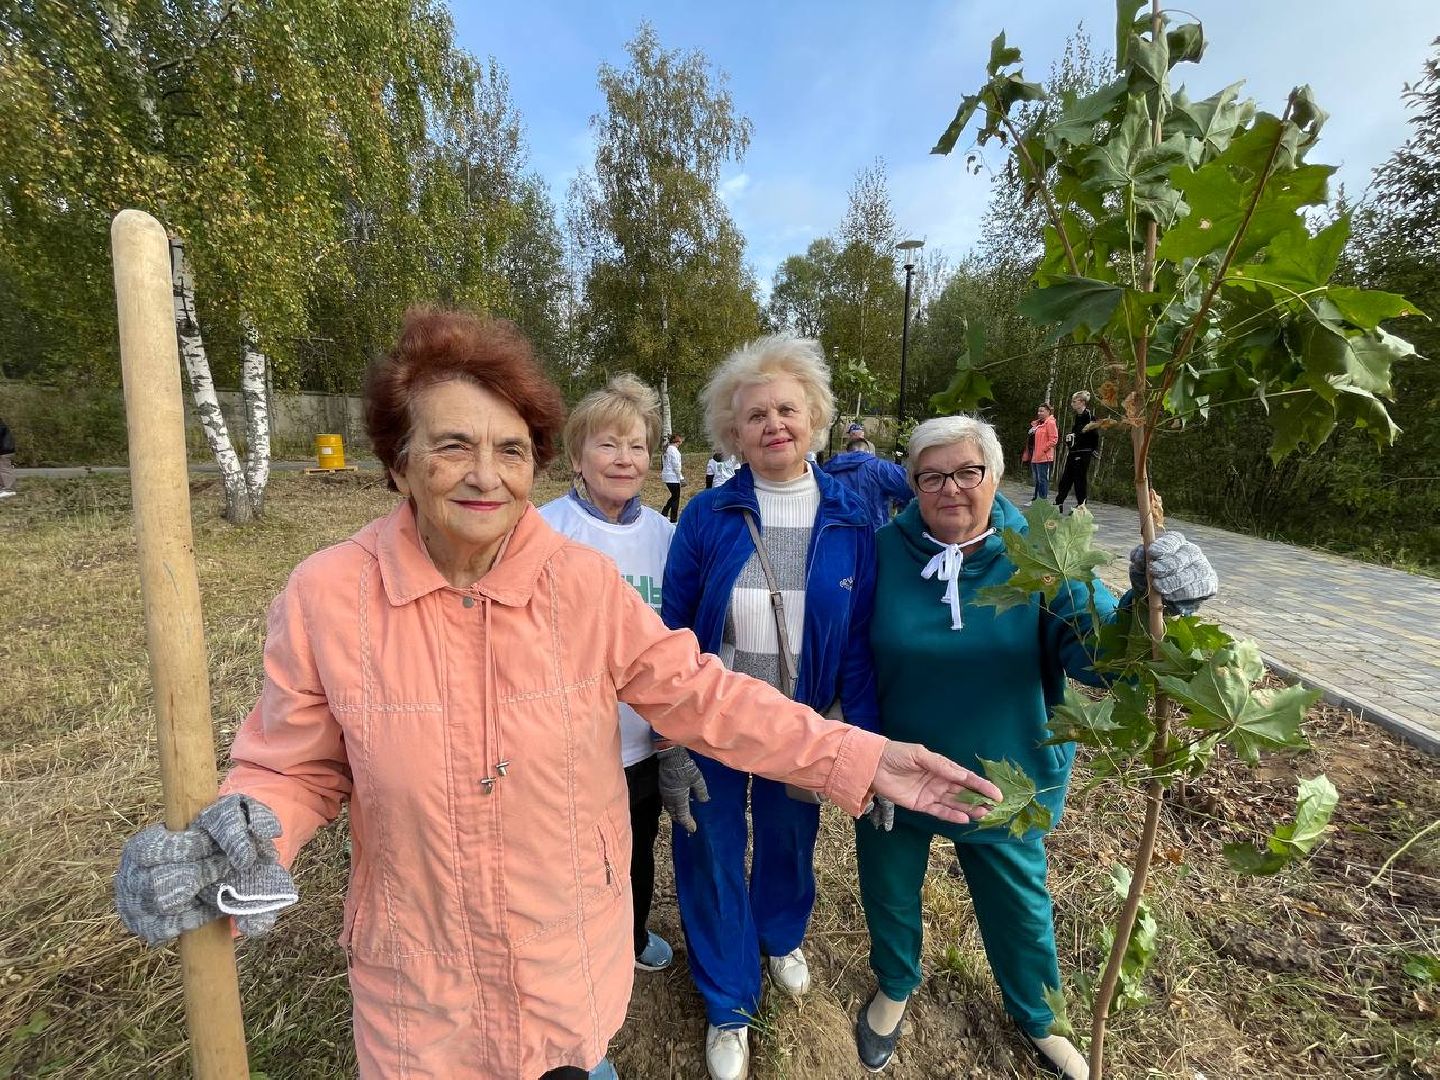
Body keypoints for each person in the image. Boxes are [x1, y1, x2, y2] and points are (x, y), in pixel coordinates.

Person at [112, 310, 1003, 1080]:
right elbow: (294, 768)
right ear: (399, 461)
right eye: (452, 445)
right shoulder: (329, 596)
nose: (485, 475)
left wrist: (857, 754)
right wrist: (251, 832)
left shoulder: (579, 586)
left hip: (564, 964)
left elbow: (705, 695)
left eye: (509, 450)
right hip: (421, 991)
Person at [851, 415, 1216, 1079]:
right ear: (912, 484)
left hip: (1007, 772)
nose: (950, 488)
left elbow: (1104, 662)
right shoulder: (880, 554)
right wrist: (856, 750)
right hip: (897, 770)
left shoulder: (1042, 560)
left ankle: (1039, 1016)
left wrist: (1155, 605)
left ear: (996, 476)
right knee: (890, 888)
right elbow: (847, 650)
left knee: (1019, 907)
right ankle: (895, 985)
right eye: (931, 476)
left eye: (968, 472)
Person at [661, 335, 888, 1080]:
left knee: (791, 841)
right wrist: (671, 741)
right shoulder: (707, 515)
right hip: (714, 724)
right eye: (754, 414)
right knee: (710, 851)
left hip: (802, 725)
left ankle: (779, 934)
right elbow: (672, 636)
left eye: (787, 409)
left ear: (815, 417)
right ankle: (729, 1000)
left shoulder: (852, 520)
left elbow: (857, 646)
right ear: (733, 430)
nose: (773, 424)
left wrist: (866, 749)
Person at [538, 373, 677, 976]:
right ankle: (573, 952)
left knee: (638, 842)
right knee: (566, 853)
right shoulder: (542, 530)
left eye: (637, 446)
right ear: (577, 456)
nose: (625, 458)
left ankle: (633, 933)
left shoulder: (666, 537)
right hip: (566, 741)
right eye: (608, 444)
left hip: (641, 739)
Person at [821, 421, 913, 529]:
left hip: (835, 534)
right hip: (872, 534)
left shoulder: (827, 470)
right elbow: (912, 486)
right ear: (868, 451)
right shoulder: (878, 467)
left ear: (848, 451)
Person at [1054, 391, 1099, 513]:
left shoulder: (1089, 417)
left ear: (1082, 402)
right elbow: (1077, 433)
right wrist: (1071, 438)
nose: (1072, 404)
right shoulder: (1077, 417)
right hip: (1074, 451)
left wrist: (1093, 450)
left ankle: (1081, 505)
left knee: (1079, 479)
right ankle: (1058, 503)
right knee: (1066, 477)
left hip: (1084, 452)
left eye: (1074, 401)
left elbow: (1094, 435)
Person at [1021, 403, 1058, 505]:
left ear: (1048, 412)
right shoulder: (1038, 424)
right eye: (1038, 411)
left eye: (1042, 411)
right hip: (1035, 455)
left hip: (1044, 456)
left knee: (1042, 480)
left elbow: (1054, 439)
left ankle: (1042, 501)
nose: (1039, 413)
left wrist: (1043, 450)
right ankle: (1035, 500)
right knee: (1037, 479)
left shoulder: (1050, 423)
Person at [660, 432, 685, 522]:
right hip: (673, 477)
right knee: (676, 498)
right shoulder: (674, 451)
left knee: (674, 496)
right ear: (678, 441)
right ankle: (673, 519)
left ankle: (665, 512)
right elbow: (676, 466)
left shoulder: (667, 449)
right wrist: (681, 478)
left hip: (667, 476)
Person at [0, 416, 16, 499]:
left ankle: (9, 490)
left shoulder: (1, 426)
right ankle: (4, 488)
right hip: (5, 449)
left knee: (4, 469)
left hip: (5, 450)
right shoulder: (2, 425)